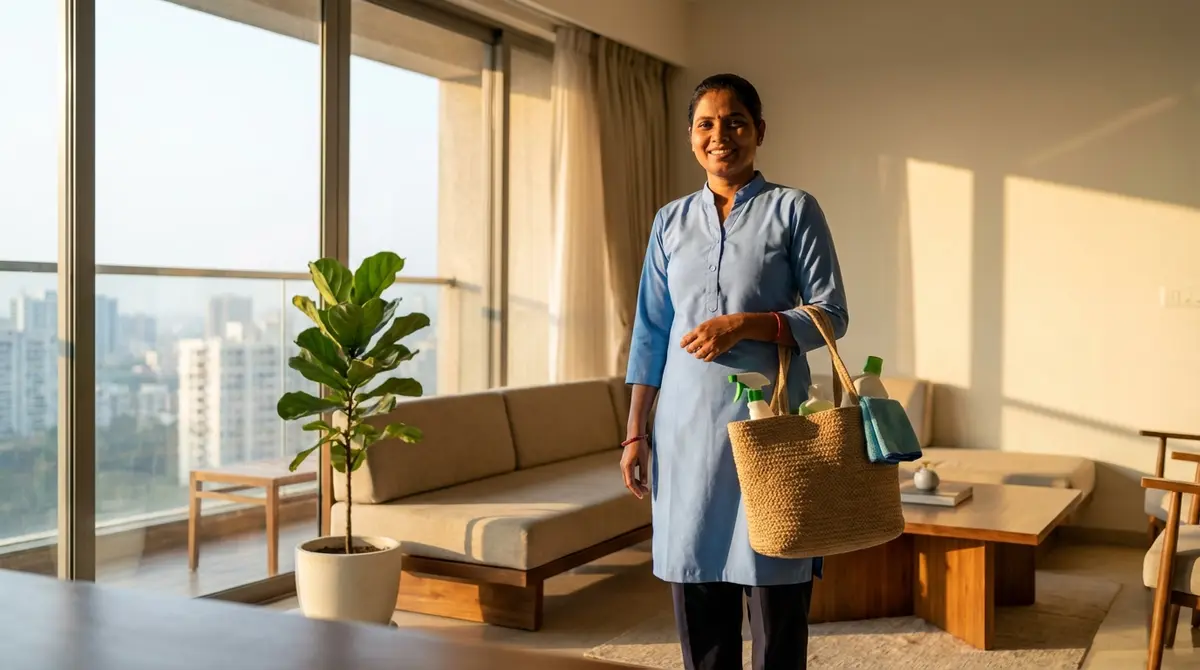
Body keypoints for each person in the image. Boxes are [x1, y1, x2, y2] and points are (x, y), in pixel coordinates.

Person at [620, 73, 849, 670]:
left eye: (735, 122)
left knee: (778, 596)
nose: (720, 136)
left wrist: (747, 324)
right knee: (700, 597)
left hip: (771, 431)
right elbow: (649, 332)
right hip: (686, 432)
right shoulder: (668, 222)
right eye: (706, 124)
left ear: (759, 132)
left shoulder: (794, 209)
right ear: (691, 136)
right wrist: (635, 431)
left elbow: (830, 314)